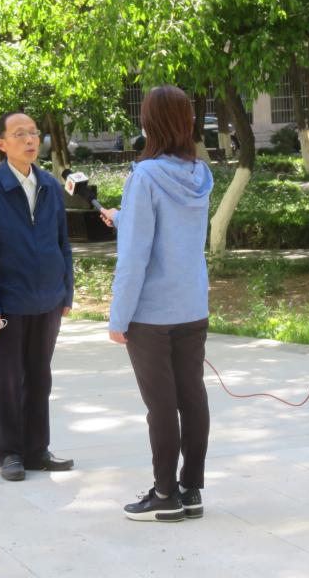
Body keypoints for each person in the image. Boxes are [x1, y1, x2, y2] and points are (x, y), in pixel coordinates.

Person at [102, 85, 214, 522]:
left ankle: (164, 494)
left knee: (161, 405)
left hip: (151, 314)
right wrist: (123, 218)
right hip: (192, 305)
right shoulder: (199, 174)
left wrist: (119, 316)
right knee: (192, 396)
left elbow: (135, 257)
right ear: (186, 122)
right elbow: (172, 234)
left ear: (149, 123)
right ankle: (191, 489)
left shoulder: (144, 176)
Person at [0, 111, 75, 482]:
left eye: (33, 133)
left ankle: (37, 450)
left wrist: (66, 292)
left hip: (48, 300)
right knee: (8, 380)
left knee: (40, 378)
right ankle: (10, 452)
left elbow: (63, 243)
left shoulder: (50, 186)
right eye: (19, 134)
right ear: (2, 144)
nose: (29, 140)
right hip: (8, 303)